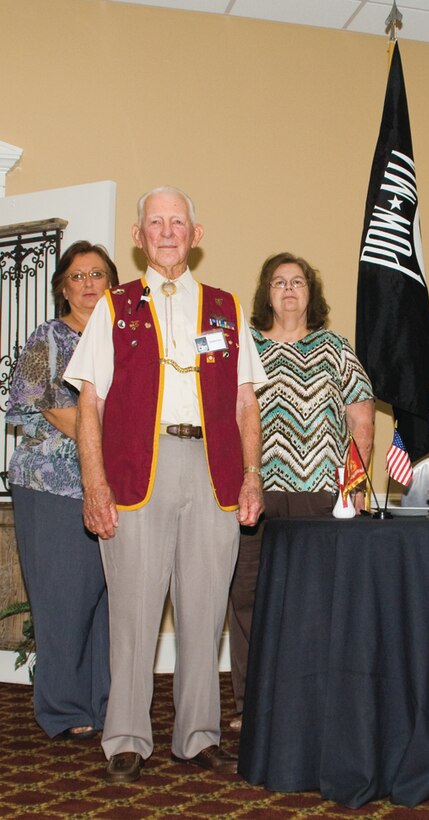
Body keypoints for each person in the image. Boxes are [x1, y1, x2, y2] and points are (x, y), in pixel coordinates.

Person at [65, 186, 266, 784]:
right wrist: (94, 486)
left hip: (213, 475)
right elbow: (90, 402)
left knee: (205, 611)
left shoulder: (226, 309)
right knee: (132, 610)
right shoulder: (115, 305)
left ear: (196, 235)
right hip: (136, 475)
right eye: (156, 222)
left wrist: (252, 475)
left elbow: (245, 400)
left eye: (178, 221)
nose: (168, 231)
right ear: (139, 236)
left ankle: (198, 734)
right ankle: (125, 736)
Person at [227, 252, 374, 729]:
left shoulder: (335, 347)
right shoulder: (245, 346)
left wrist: (352, 486)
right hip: (256, 491)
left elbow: (362, 420)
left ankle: (317, 698)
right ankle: (251, 705)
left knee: (318, 598)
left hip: (321, 495)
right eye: (278, 282)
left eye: (298, 282)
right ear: (265, 293)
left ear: (311, 293)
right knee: (248, 595)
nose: (289, 290)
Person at [7, 241, 118, 741]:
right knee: (62, 600)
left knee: (106, 601)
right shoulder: (48, 339)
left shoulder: (126, 340)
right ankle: (64, 708)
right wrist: (122, 445)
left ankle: (103, 701)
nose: (89, 284)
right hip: (53, 485)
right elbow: (55, 409)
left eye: (98, 274)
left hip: (118, 486)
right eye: (78, 276)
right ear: (62, 288)